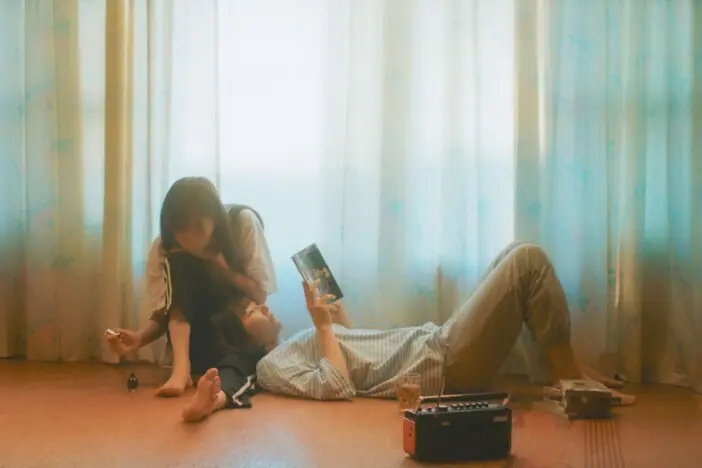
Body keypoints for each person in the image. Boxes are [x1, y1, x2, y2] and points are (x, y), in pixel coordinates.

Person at [182, 241, 632, 423]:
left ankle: (557, 372)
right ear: (243, 338)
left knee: (513, 253)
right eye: (250, 311)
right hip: (440, 361)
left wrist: (335, 318)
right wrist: (323, 328)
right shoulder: (270, 368)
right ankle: (569, 377)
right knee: (527, 261)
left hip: (433, 343)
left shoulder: (293, 346)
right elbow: (338, 386)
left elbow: (361, 358)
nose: (261, 304)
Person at [106, 177, 278, 397]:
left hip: (237, 335)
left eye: (198, 226)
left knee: (239, 360)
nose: (190, 236)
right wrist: (140, 338)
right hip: (195, 344)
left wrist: (219, 264)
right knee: (180, 264)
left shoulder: (241, 223)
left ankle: (213, 386)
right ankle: (181, 369)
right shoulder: (165, 248)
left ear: (215, 219)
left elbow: (260, 294)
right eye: (181, 228)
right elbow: (169, 309)